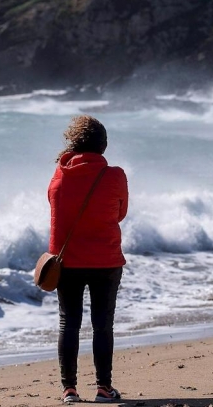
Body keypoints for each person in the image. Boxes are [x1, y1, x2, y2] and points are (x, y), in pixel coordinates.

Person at [48, 115, 128, 403]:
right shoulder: (115, 175)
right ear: (102, 146)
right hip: (105, 260)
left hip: (66, 262)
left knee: (68, 323)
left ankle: (69, 390)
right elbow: (120, 213)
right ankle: (104, 389)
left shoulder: (59, 176)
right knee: (102, 325)